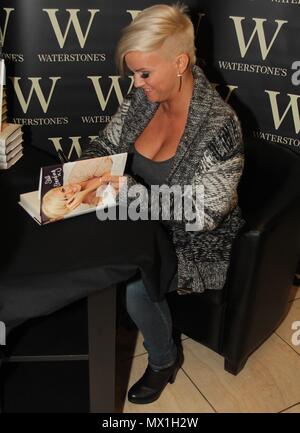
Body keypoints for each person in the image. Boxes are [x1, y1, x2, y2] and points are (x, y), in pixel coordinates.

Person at [81, 3, 244, 404]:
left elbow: (205, 212)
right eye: (134, 73)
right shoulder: (144, 99)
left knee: (139, 283)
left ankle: (163, 359)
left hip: (192, 240)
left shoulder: (220, 125)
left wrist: (130, 196)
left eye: (144, 73)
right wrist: (82, 173)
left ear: (180, 63)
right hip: (135, 221)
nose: (136, 83)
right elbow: (104, 144)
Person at [41, 157, 119, 220]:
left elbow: (113, 169)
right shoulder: (92, 202)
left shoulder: (77, 174)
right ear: (71, 206)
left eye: (63, 190)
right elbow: (119, 178)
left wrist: (84, 192)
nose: (70, 190)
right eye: (66, 198)